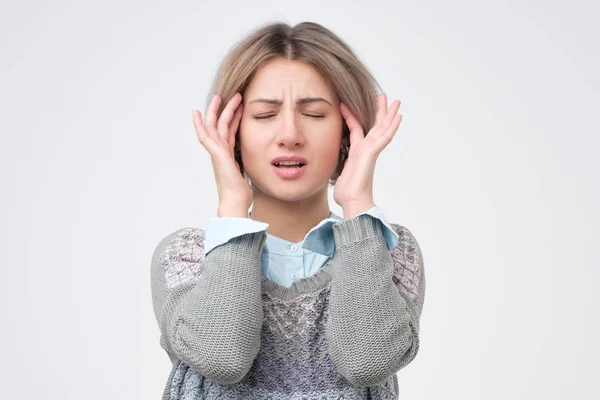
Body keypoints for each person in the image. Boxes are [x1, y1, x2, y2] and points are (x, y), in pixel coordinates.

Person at [150, 20, 426, 399]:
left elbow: (366, 361)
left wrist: (358, 206)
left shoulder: (392, 253)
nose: (290, 135)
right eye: (264, 116)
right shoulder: (185, 258)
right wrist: (232, 207)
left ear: (348, 133)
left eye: (314, 114)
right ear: (232, 133)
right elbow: (224, 357)